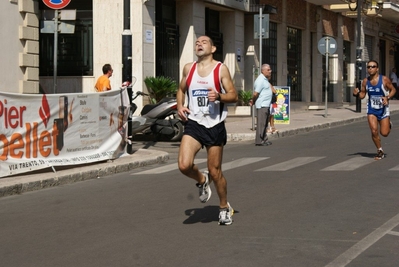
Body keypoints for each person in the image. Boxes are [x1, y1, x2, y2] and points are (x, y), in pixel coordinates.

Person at [177, 35, 238, 226]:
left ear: (213, 49)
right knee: (184, 165)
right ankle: (203, 180)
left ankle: (223, 207)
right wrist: (180, 105)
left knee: (216, 170)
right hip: (194, 123)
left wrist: (219, 96)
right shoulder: (189, 68)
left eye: (204, 42)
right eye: (197, 42)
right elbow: (181, 89)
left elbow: (234, 95)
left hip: (214, 125)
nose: (199, 44)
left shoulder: (221, 69)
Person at [353, 60, 396, 160]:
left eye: (373, 66)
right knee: (373, 130)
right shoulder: (365, 81)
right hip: (372, 109)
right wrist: (357, 94)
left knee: (384, 133)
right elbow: (363, 94)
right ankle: (380, 150)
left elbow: (393, 89)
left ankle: (388, 124)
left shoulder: (384, 79)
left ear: (377, 69)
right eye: (368, 67)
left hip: (383, 109)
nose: (370, 68)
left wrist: (387, 97)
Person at [249, 64, 273, 146]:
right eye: (268, 70)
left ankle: (264, 139)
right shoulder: (260, 80)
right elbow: (256, 93)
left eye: (270, 70)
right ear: (263, 70)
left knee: (265, 123)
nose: (270, 71)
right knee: (261, 124)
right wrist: (253, 101)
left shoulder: (265, 80)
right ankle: (259, 140)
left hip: (266, 105)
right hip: (262, 105)